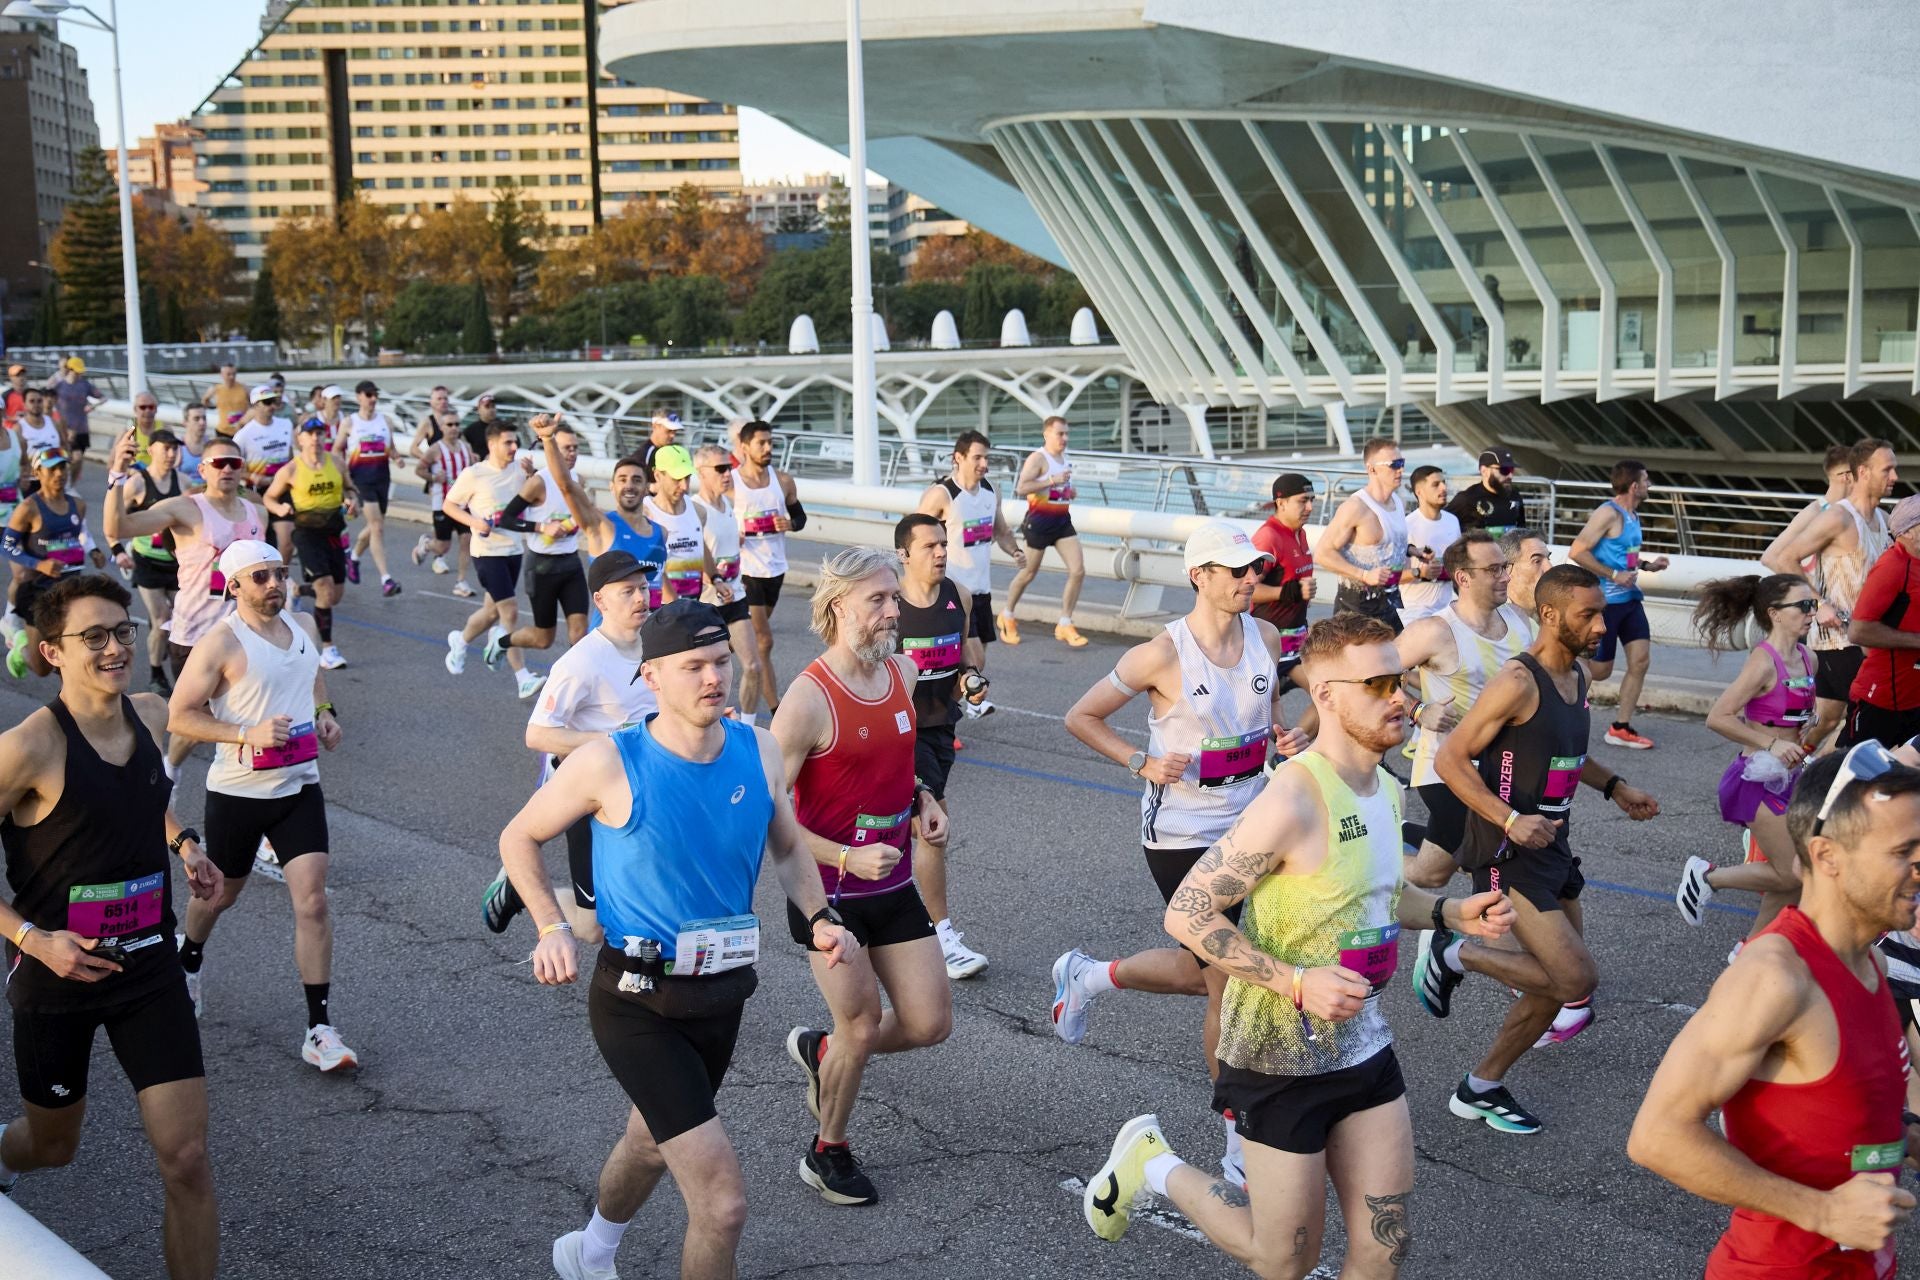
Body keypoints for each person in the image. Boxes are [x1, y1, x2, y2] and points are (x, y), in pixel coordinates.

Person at [1080, 612, 1514, 1276]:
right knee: (1283, 1257)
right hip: (1277, 1054)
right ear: (1328, 695)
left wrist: (1454, 911)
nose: (1401, 696)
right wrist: (1295, 981)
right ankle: (1155, 1166)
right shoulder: (1294, 797)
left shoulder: (1387, 790)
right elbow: (1190, 914)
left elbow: (1377, 897)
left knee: (1386, 1243)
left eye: (1403, 679)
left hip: (1364, 1047)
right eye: (1379, 684)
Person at [499, 598, 858, 1280]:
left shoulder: (757, 749)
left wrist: (820, 920)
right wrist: (550, 925)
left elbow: (787, 849)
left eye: (720, 661)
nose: (713, 678)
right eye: (693, 666)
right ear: (653, 677)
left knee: (649, 1138)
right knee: (722, 1205)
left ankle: (591, 1252)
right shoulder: (610, 762)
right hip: (638, 1000)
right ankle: (596, 1251)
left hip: (723, 995)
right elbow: (519, 835)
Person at [1056, 521, 1311, 1184]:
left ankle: (1088, 976)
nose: (1249, 580)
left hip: (1256, 823)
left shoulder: (1268, 637)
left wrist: (1285, 740)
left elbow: (1269, 717)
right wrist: (1140, 759)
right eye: (1235, 571)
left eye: (1253, 569)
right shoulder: (1160, 655)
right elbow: (1080, 717)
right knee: (1227, 982)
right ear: (1199, 576)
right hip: (1184, 835)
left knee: (1210, 971)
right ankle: (1237, 1139)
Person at [0, 574, 222, 1280]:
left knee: (186, 1159)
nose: (114, 647)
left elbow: (138, 797)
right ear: (51, 652)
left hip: (149, 967)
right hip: (57, 976)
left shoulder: (152, 714)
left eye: (122, 630)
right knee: (52, 1146)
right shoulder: (29, 747)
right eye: (91, 636)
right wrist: (34, 940)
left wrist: (185, 844)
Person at [1630, 744, 1920, 1278]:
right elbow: (1656, 1135)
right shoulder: (1776, 976)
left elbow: (1843, 1108)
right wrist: (1826, 1212)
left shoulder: (1871, 959)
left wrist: (1905, 1139)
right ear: (1828, 855)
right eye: (1904, 852)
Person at [1423, 565, 1661, 1133]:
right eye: (1589, 614)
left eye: (1602, 612)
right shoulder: (1517, 681)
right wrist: (1509, 819)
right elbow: (1449, 759)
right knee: (1576, 979)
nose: (1602, 624)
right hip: (1507, 851)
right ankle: (1455, 953)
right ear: (1550, 614)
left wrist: (1615, 786)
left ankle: (1479, 1086)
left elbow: (1565, 756)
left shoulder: (1575, 677)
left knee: (1556, 985)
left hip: (1552, 845)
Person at [771, 547, 952, 1208]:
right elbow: (773, 816)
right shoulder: (807, 700)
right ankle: (828, 1152)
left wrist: (923, 800)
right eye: (876, 600)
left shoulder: (900, 672)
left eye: (893, 599)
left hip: (893, 884)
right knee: (863, 1024)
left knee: (930, 1022)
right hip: (828, 895)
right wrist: (845, 857)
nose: (891, 611)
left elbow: (897, 766)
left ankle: (825, 1056)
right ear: (837, 606)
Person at [166, 540, 356, 1070]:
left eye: (279, 573)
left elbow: (311, 670)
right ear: (233, 586)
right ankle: (189, 958)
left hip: (299, 786)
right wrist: (246, 732)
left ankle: (319, 1029)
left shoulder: (302, 625)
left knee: (313, 902)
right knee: (219, 898)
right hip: (238, 794)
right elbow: (180, 716)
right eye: (260, 577)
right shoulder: (220, 644)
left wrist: (324, 711)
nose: (274, 583)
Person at [483, 550, 657, 941]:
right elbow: (538, 734)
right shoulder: (582, 662)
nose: (641, 598)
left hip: (645, 792)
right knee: (594, 926)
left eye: (644, 588)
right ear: (600, 600)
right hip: (591, 796)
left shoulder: (656, 645)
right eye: (627, 591)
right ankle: (522, 891)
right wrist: (610, 742)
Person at [103, 436, 267, 776]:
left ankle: (252, 794)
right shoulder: (186, 508)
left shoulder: (256, 511)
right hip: (195, 635)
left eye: (234, 463)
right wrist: (118, 473)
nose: (227, 469)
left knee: (251, 715)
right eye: (218, 463)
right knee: (194, 723)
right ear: (203, 469)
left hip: (246, 635)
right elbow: (118, 527)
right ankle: (170, 773)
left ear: (242, 470)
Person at [1394, 532, 1535, 890]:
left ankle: (1372, 846)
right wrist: (1417, 710)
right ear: (1464, 578)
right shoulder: (1435, 631)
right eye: (1493, 569)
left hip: (1502, 768)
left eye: (1505, 567)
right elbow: (1372, 676)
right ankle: (1463, 942)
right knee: (1491, 863)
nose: (1505, 576)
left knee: (1432, 873)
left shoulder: (1519, 621)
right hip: (1447, 769)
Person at [1676, 573, 1815, 936]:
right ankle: (1707, 876)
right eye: (1802, 605)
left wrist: (1806, 728)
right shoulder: (1763, 662)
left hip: (1793, 778)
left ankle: (1752, 951)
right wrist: (1772, 743)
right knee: (1792, 872)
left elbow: (1792, 717)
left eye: (1812, 604)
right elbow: (1717, 717)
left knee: (1792, 881)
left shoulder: (1807, 657)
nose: (1811, 612)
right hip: (1758, 777)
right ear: (1775, 613)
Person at [892, 513, 988, 979]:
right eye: (930, 545)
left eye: (944, 544)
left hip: (940, 728)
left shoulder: (959, 596)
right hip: (900, 731)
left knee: (905, 830)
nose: (941, 552)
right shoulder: (890, 607)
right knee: (933, 826)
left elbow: (961, 660)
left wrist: (970, 680)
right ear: (904, 555)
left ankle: (882, 915)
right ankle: (939, 937)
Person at [1763, 437, 1896, 752]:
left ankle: (1796, 767)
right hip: (1840, 639)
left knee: (1828, 717)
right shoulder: (1839, 517)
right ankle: (1815, 778)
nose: (1895, 478)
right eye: (1887, 470)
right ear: (1863, 472)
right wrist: (1819, 604)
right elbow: (1784, 558)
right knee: (1865, 720)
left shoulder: (1884, 520)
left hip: (1867, 639)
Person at [916, 430, 1026, 719]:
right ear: (958, 458)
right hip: (952, 589)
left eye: (986, 457)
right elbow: (915, 535)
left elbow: (1000, 531)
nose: (983, 463)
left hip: (981, 589)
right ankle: (955, 709)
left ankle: (956, 705)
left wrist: (1014, 550)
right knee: (971, 658)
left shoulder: (991, 491)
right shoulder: (941, 495)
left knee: (980, 660)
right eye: (977, 457)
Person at [1569, 459, 1672, 749]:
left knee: (1640, 660)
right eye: (1647, 480)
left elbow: (1623, 555)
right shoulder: (1608, 512)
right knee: (1600, 672)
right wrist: (1613, 575)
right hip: (1606, 603)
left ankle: (1620, 727)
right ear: (1635, 485)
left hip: (1630, 600)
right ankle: (1559, 680)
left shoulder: (1633, 516)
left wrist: (1648, 565)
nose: (1650, 485)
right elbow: (1578, 550)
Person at [442, 419, 548, 701]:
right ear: (492, 445)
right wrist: (475, 522)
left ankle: (460, 641)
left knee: (491, 613)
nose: (514, 447)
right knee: (509, 613)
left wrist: (533, 474)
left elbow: (539, 499)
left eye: (515, 442)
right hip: (487, 553)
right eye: (508, 442)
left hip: (513, 550)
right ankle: (522, 677)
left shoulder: (520, 470)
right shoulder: (474, 474)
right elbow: (449, 505)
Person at [529, 415, 668, 629]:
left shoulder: (661, 533)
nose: (629, 485)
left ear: (647, 487)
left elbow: (659, 583)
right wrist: (548, 439)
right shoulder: (601, 526)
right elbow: (566, 486)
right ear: (612, 487)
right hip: (610, 643)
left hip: (650, 640)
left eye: (637, 480)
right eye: (622, 480)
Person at [495, 419, 594, 657]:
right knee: (543, 639)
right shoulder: (538, 482)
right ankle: (501, 642)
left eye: (575, 447)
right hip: (541, 567)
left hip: (570, 563)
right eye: (566, 448)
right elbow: (506, 519)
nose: (572, 453)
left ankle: (578, 684)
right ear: (552, 450)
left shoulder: (578, 480)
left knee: (580, 633)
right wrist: (542, 527)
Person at [4, 448, 105, 680]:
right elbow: (6, 546)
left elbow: (81, 533)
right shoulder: (28, 508)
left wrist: (94, 550)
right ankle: (19, 646)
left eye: (63, 467)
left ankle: (78, 709)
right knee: (42, 669)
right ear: (38, 472)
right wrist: (38, 564)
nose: (59, 473)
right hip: (38, 593)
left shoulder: (77, 505)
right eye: (52, 469)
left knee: (73, 659)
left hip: (70, 590)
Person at [261, 418, 353, 670]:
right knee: (324, 588)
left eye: (320, 433)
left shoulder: (337, 463)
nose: (315, 438)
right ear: (300, 439)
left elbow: (351, 489)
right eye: (310, 434)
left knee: (335, 595)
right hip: (307, 532)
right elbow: (269, 497)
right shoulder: (291, 469)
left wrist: (351, 500)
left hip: (334, 531)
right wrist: (280, 507)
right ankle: (328, 649)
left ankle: (299, 590)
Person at [1314, 437, 1421, 635]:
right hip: (1357, 606)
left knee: (1398, 663)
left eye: (1402, 463)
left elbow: (1386, 547)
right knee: (1362, 666)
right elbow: (1322, 554)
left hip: (1392, 601)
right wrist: (1363, 575)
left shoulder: (1399, 502)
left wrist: (1415, 551)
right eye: (1394, 465)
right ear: (1371, 469)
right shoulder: (1356, 507)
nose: (1401, 470)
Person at [733, 420, 804, 714]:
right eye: (761, 443)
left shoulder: (783, 480)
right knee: (764, 640)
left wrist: (790, 523)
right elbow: (715, 518)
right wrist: (730, 536)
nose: (767, 448)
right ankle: (776, 709)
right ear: (744, 447)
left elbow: (800, 518)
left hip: (775, 569)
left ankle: (727, 642)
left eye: (770, 443)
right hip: (745, 571)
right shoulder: (731, 484)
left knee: (752, 639)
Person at [1000, 415, 1088, 647]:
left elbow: (1055, 490)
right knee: (1028, 573)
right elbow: (1021, 488)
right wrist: (1051, 480)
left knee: (1078, 571)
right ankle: (1007, 615)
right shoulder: (1038, 458)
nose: (1065, 438)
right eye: (1060, 433)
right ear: (1047, 434)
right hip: (1039, 524)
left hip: (1062, 523)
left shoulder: (1063, 457)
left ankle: (1065, 623)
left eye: (1067, 433)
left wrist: (1068, 492)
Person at [110, 427, 187, 693]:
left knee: (185, 616)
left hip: (177, 563)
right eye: (166, 448)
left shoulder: (184, 482)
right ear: (152, 449)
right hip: (147, 562)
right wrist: (118, 550)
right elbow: (114, 517)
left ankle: (176, 657)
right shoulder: (138, 482)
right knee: (161, 618)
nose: (171, 453)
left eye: (175, 448)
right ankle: (156, 674)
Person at [1843, 493, 1920, 749]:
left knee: (1908, 780)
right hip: (1883, 697)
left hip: (1914, 696)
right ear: (1908, 531)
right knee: (1859, 777)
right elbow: (1859, 630)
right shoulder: (1893, 565)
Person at [692, 444, 759, 718]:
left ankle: (748, 727)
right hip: (707, 603)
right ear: (701, 472)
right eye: (719, 469)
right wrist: (715, 577)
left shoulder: (728, 504)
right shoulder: (696, 509)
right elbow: (693, 554)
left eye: (729, 467)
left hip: (735, 596)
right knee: (709, 673)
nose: (727, 473)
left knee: (753, 666)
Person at [643, 443, 718, 639]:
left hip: (692, 606)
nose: (684, 486)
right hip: (658, 612)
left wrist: (717, 579)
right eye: (677, 479)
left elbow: (700, 546)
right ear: (658, 475)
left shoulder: (698, 511)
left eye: (687, 477)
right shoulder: (645, 513)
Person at [1250, 474, 1316, 689]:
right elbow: (1246, 587)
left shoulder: (1301, 533)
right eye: (1302, 501)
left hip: (1296, 638)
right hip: (1270, 640)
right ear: (1281, 503)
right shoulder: (1268, 537)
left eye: (1312, 500)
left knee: (1329, 699)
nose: (1310, 507)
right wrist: (1289, 592)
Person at [340, 380, 401, 598]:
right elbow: (338, 449)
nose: (373, 399)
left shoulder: (386, 421)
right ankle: (386, 579)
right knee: (377, 527)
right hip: (360, 480)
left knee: (376, 525)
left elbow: (390, 448)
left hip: (382, 479)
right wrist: (344, 481)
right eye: (368, 394)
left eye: (375, 394)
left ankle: (354, 557)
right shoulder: (349, 423)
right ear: (358, 397)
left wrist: (397, 458)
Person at [1762, 444, 1855, 574]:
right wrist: (1809, 588)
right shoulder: (1814, 512)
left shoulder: (1850, 510)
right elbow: (1769, 558)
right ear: (1846, 476)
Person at [412, 409, 476, 596]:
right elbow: (418, 469)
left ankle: (461, 582)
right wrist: (433, 477)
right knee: (443, 546)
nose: (454, 428)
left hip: (464, 504)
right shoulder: (435, 449)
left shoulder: (466, 448)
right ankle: (426, 545)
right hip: (443, 503)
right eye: (449, 425)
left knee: (466, 539)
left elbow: (472, 469)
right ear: (441, 428)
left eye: (457, 424)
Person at [232, 384, 295, 561]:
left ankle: (284, 576)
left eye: (274, 401)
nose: (272, 406)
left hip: (283, 489)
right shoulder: (243, 435)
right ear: (255, 405)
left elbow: (290, 455)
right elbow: (234, 467)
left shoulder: (286, 425)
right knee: (262, 543)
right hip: (257, 493)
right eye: (266, 402)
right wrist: (251, 476)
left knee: (287, 540)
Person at [1400, 464, 1461, 623]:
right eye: (1436, 484)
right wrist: (1421, 573)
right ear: (1419, 492)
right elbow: (1392, 576)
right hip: (1414, 611)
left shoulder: (1452, 521)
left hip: (1448, 610)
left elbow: (1457, 565)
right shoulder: (1406, 526)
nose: (1443, 488)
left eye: (1444, 482)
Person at [1446, 447, 1529, 535]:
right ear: (1484, 471)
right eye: (1504, 470)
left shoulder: (1515, 496)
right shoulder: (1466, 499)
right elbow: (1443, 524)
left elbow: (1522, 529)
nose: (1510, 476)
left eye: (1512, 470)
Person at [50, 358, 100, 483]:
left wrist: (92, 406)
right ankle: (65, 483)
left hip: (81, 428)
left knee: (78, 459)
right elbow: (47, 397)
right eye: (76, 371)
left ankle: (70, 485)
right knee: (69, 458)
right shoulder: (59, 385)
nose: (79, 374)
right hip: (64, 428)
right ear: (70, 369)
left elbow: (102, 397)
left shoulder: (84, 384)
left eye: (80, 372)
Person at [1500, 527, 1553, 616]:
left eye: (1548, 558)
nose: (1550, 568)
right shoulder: (1495, 621)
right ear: (1507, 569)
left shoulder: (1551, 616)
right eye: (1537, 561)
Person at [202, 361, 251, 429]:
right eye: (228, 374)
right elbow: (204, 401)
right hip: (223, 430)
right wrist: (213, 406)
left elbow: (254, 405)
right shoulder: (216, 389)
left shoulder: (244, 388)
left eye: (234, 374)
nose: (232, 377)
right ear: (221, 374)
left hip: (242, 429)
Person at [460, 391, 505, 459]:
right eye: (487, 407)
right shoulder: (471, 430)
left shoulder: (504, 427)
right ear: (479, 409)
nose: (491, 410)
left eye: (493, 406)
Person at [637, 409, 683, 473]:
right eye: (669, 431)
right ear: (655, 426)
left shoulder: (671, 451)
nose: (673, 435)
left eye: (675, 431)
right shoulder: (644, 455)